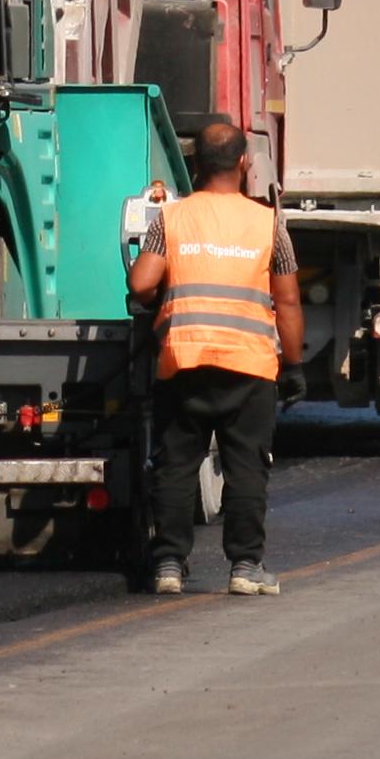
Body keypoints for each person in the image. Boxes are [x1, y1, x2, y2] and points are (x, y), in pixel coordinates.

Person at [128, 122, 304, 595]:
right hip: (249, 367)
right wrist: (295, 365)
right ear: (244, 163)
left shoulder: (171, 219)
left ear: (195, 165)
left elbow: (142, 284)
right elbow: (286, 301)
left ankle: (167, 565)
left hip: (184, 361)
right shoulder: (268, 223)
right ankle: (246, 567)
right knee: (247, 465)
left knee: (177, 464)